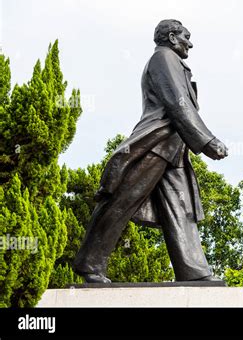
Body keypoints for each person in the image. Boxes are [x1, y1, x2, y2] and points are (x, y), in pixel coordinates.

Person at [73, 19, 228, 283]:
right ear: (171, 36)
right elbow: (178, 104)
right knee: (121, 201)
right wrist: (207, 140)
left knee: (181, 208)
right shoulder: (164, 59)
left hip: (173, 147)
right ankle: (89, 263)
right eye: (186, 36)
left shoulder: (172, 61)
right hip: (155, 144)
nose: (190, 43)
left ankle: (193, 270)